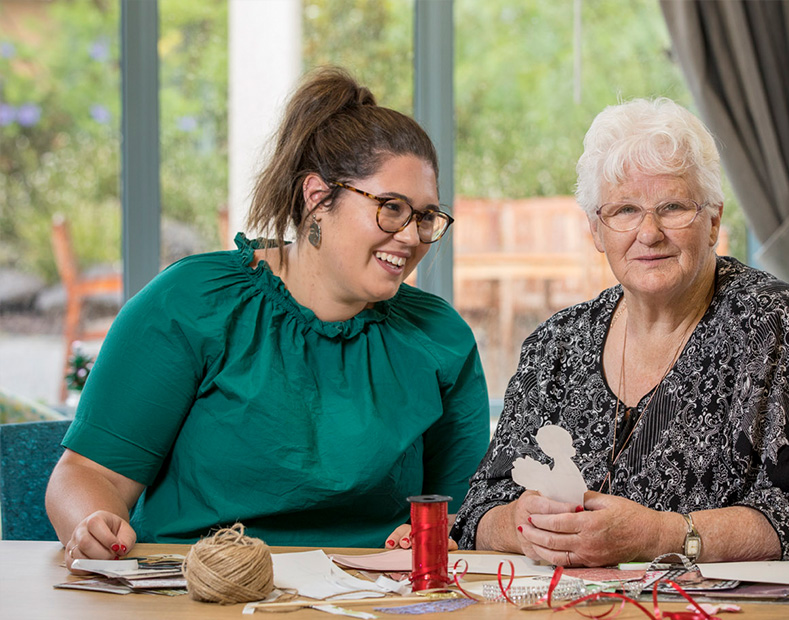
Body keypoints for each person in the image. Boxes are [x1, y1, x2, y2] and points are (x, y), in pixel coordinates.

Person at [46, 67, 489, 571]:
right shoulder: (191, 304)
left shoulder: (440, 337)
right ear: (318, 197)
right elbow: (86, 473)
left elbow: (464, 512)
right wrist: (92, 523)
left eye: (427, 217)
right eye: (391, 208)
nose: (411, 237)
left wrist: (448, 532)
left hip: (374, 598)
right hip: (202, 594)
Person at [450, 97, 789, 567]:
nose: (649, 232)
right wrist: (521, 525)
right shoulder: (556, 344)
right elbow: (477, 512)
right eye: (624, 210)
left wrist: (664, 535)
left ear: (712, 222)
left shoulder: (773, 322)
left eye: (672, 207)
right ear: (596, 231)